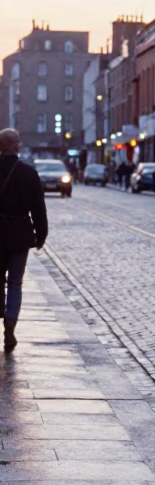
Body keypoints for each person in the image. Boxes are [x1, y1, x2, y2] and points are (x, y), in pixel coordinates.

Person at [0, 129, 48, 353]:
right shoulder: (28, 173)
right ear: (16, 146)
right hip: (19, 234)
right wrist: (41, 234)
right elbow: (38, 207)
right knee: (16, 283)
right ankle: (10, 325)